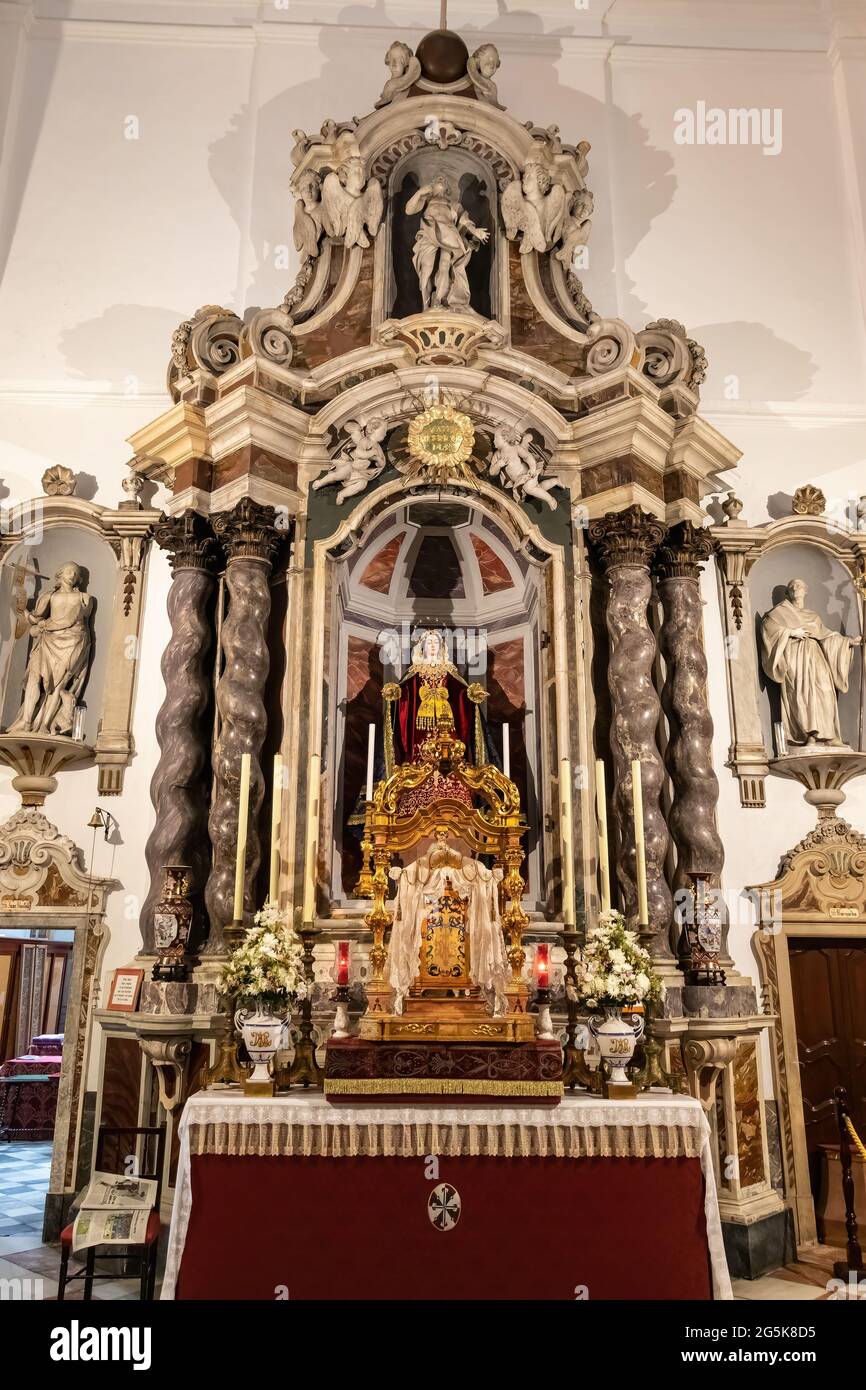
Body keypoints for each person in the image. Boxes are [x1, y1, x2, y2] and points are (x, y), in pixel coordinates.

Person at [760, 577, 862, 745]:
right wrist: (790, 632)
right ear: (787, 593)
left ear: (805, 591)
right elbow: (768, 630)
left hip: (815, 656)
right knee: (802, 695)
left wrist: (849, 642)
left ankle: (830, 736)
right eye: (791, 587)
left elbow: (827, 636)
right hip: (795, 657)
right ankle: (810, 736)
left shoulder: (812, 616)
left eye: (799, 586)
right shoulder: (779, 613)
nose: (795, 589)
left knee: (825, 690)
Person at [9, 562, 93, 736]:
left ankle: (45, 725)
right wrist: (22, 608)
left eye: (76, 574)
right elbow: (34, 618)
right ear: (60, 574)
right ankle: (26, 721)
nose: (72, 576)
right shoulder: (49, 596)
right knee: (34, 677)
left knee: (58, 684)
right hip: (48, 639)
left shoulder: (85, 597)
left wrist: (44, 624)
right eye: (69, 571)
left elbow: (81, 617)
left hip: (72, 641)